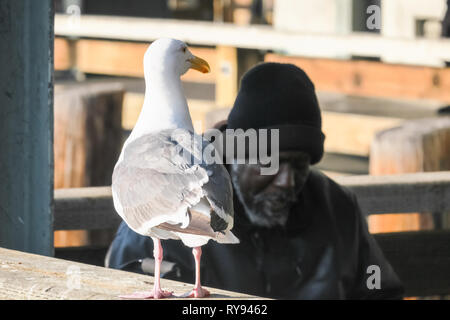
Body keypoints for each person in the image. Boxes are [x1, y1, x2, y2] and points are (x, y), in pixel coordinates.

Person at [106, 63, 404, 299]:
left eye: (300, 165)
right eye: (268, 163)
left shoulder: (337, 208)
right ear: (234, 154)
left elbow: (379, 293)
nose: (287, 181)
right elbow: (120, 286)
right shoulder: (166, 198)